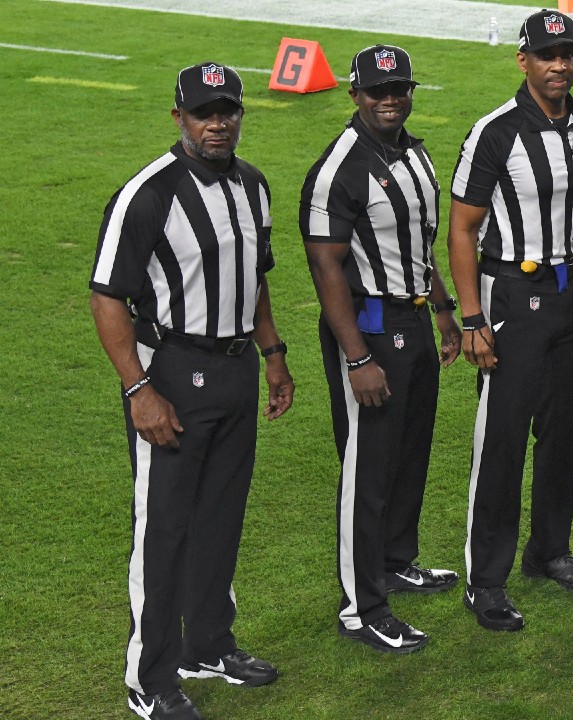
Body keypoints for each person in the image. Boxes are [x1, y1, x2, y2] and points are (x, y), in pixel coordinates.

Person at [91, 62, 293, 720]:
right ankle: (148, 680)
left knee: (220, 521)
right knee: (164, 531)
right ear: (176, 116)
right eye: (204, 112)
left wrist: (272, 354)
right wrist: (139, 390)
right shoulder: (148, 193)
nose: (217, 123)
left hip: (234, 368)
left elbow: (253, 279)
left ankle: (208, 646)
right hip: (173, 370)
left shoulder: (254, 186)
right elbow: (106, 296)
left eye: (228, 110)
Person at [300, 44, 461, 654]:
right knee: (366, 469)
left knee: (408, 453)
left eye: (399, 90)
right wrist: (357, 357)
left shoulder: (414, 153)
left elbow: (419, 244)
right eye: (377, 92)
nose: (389, 100)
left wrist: (442, 310)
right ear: (355, 95)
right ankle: (360, 605)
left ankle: (396, 562)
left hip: (414, 317)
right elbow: (324, 265)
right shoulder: (339, 167)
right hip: (367, 326)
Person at [448, 10, 573, 632]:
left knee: (562, 432)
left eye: (566, 53)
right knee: (503, 440)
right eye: (547, 55)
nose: (559, 64)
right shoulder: (494, 132)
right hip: (512, 295)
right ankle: (485, 578)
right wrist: (470, 318)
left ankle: (549, 551)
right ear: (524, 61)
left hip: (570, 296)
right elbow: (461, 228)